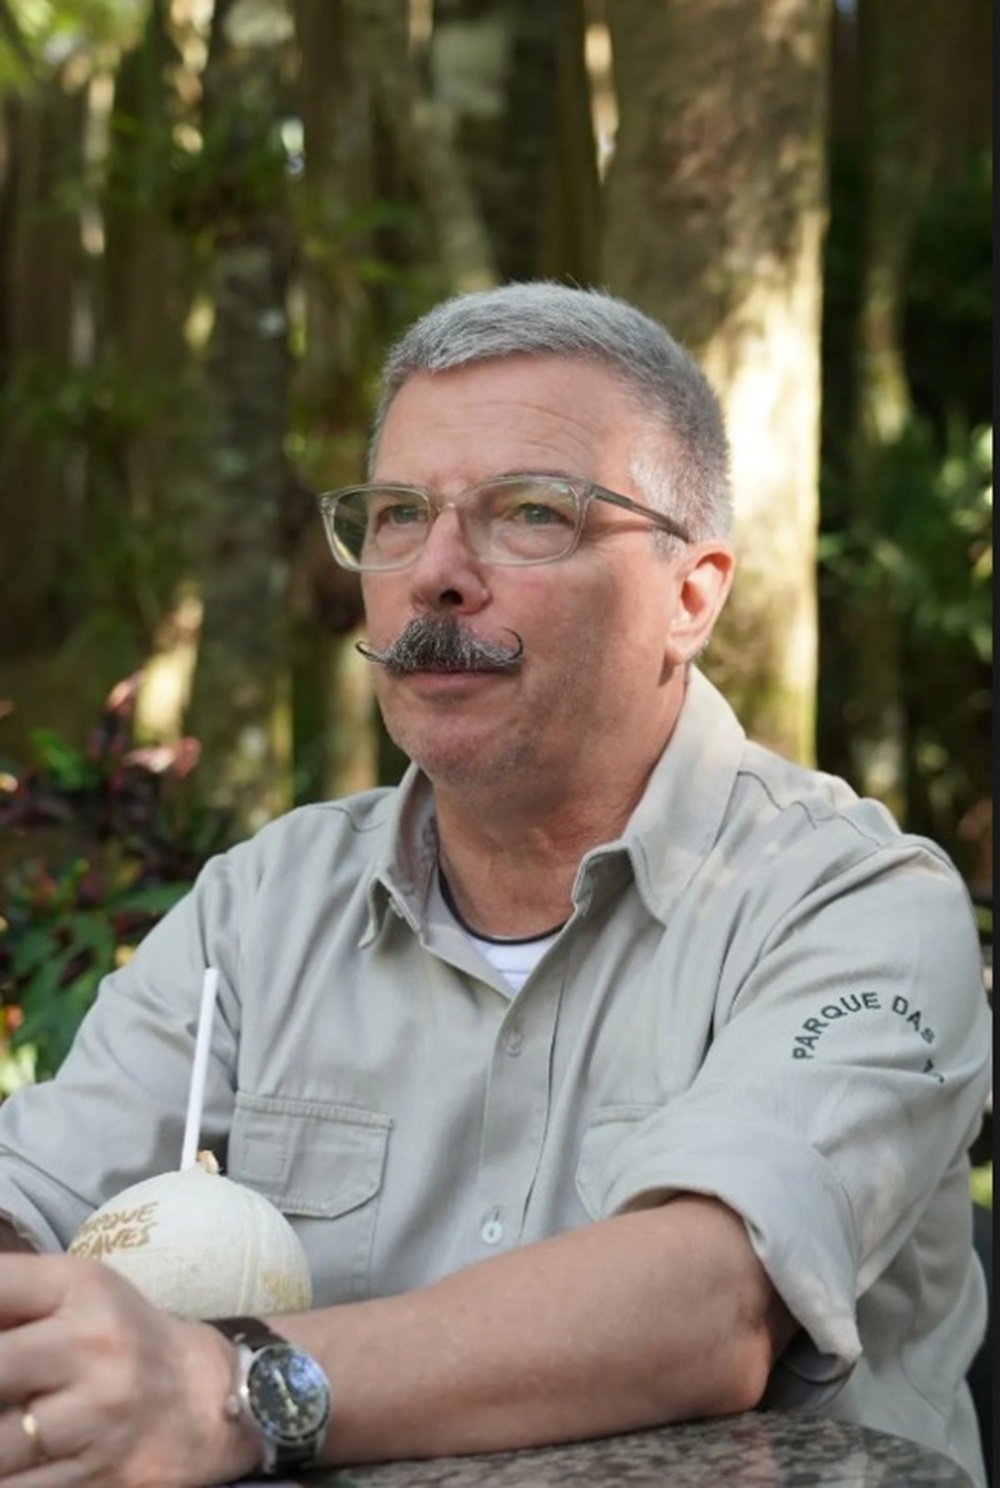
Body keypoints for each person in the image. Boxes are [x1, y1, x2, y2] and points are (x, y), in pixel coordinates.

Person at [0, 282, 990, 1488]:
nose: (437, 574)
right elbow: (37, 1196)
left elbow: (704, 1308)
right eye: (400, 515)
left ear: (691, 595)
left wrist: (230, 1386)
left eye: (529, 515)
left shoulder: (856, 904)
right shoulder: (266, 907)